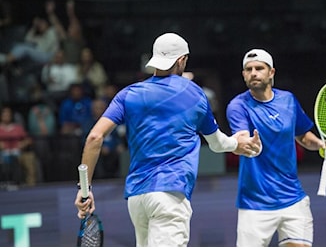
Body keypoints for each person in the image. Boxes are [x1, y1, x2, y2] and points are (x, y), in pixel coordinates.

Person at [74, 33, 262, 247]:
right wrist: (237, 143)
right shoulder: (194, 94)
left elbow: (94, 137)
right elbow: (217, 143)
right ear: (182, 60)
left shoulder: (129, 94)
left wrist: (84, 189)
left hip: (137, 198)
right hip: (170, 194)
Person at [226, 49, 326, 247]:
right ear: (243, 74)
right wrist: (244, 145)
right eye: (248, 69)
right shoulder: (238, 106)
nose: (253, 73)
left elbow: (302, 136)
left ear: (271, 72)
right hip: (255, 204)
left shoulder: (288, 100)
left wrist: (322, 144)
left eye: (259, 68)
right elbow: (242, 138)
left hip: (292, 198)